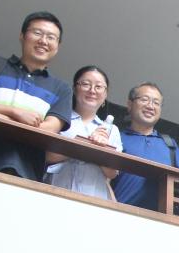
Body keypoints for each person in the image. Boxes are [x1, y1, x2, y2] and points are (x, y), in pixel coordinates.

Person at [0, 11, 72, 180]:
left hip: (25, 176)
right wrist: (14, 112)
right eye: (37, 33)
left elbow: (49, 129)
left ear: (57, 46)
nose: (43, 41)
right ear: (22, 36)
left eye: (51, 37)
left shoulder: (61, 89)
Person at [45, 65, 122, 200]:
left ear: (105, 94)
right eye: (86, 84)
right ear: (75, 89)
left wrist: (100, 150)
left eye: (99, 87)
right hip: (55, 192)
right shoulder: (59, 119)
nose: (92, 90)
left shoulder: (112, 130)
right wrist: (83, 145)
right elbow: (47, 156)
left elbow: (112, 173)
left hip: (94, 198)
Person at [113, 83, 179, 211]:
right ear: (130, 104)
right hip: (120, 213)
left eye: (156, 103)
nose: (150, 106)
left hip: (160, 218)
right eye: (144, 99)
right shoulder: (117, 138)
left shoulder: (169, 144)